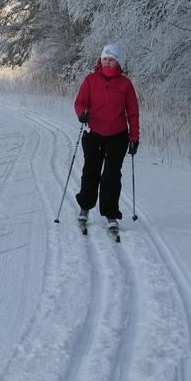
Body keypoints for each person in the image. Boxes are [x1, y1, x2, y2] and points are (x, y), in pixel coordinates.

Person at [73, 43, 140, 236]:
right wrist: (82, 114)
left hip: (117, 136)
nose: (107, 62)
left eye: (111, 59)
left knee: (111, 175)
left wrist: (134, 137)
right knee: (91, 171)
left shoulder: (125, 84)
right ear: (100, 60)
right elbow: (80, 102)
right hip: (94, 134)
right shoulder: (91, 80)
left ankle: (111, 214)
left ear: (118, 62)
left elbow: (133, 112)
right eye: (105, 58)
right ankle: (85, 207)